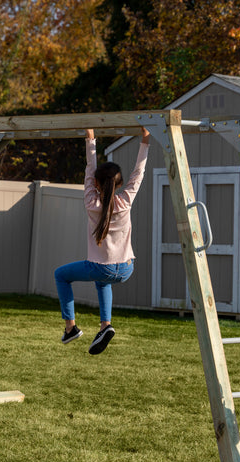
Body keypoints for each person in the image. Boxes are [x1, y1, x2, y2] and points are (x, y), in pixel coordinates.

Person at [54, 127, 150, 354]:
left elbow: (90, 169)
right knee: (103, 281)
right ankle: (105, 326)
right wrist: (145, 140)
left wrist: (91, 140)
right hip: (127, 268)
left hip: (102, 268)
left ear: (96, 184)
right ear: (119, 183)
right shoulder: (126, 201)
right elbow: (139, 172)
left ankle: (71, 328)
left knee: (61, 275)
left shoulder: (91, 203)